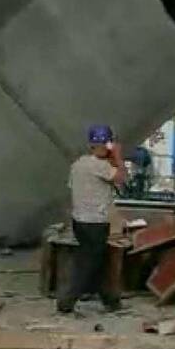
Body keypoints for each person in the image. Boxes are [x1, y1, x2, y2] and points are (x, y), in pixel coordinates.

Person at [57, 124, 126, 315]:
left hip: (80, 221)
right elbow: (121, 178)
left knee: (98, 261)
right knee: (88, 263)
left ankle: (110, 300)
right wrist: (118, 156)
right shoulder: (100, 166)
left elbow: (71, 193)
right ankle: (66, 301)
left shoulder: (78, 164)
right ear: (108, 144)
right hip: (95, 222)